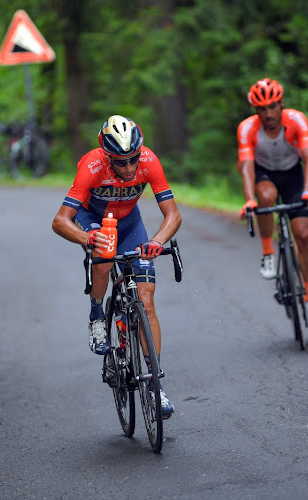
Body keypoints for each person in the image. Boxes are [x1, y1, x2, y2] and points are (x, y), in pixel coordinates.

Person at [51, 115, 182, 417]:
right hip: (93, 221)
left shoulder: (149, 161)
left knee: (146, 301)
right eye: (120, 162)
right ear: (108, 156)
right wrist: (87, 238)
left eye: (133, 159)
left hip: (130, 223)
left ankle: (154, 386)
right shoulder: (92, 166)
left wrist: (158, 242)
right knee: (106, 258)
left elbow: (172, 214)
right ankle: (97, 313)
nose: (129, 167)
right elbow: (60, 221)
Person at [236, 78, 308, 325]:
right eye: (262, 109)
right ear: (255, 111)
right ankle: (267, 251)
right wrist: (249, 200)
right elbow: (247, 167)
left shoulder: (296, 120)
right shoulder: (247, 128)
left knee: (303, 233)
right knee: (265, 197)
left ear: (281, 104)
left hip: (294, 175)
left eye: (272, 107)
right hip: (265, 174)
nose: (268, 114)